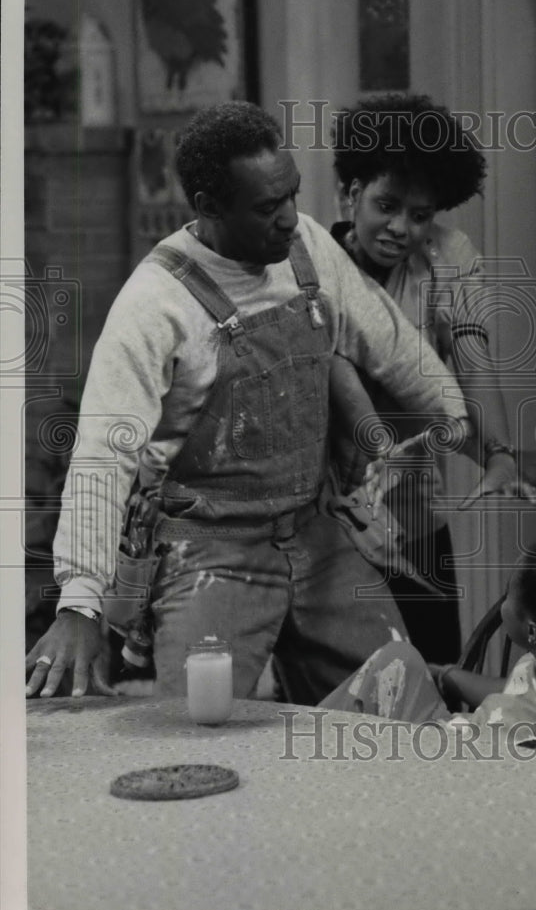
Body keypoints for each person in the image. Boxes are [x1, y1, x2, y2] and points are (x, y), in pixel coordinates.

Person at [24, 100, 481, 707]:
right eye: (269, 207)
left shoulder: (309, 247)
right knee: (195, 737)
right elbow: (104, 457)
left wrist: (474, 436)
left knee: (403, 703)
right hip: (209, 550)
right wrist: (80, 600)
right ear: (209, 208)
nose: (292, 218)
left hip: (317, 534)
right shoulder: (154, 304)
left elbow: (397, 352)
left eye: (292, 194)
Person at [327, 92, 536, 664]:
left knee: (435, 692)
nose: (402, 227)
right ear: (351, 193)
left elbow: (474, 358)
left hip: (417, 524)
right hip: (330, 531)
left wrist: (499, 453)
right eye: (386, 205)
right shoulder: (311, 266)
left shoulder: (447, 256)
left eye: (420, 214)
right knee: (338, 701)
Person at [320, 529, 536, 756]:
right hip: (474, 744)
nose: (502, 604)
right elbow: (514, 689)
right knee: (402, 662)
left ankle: (305, 751)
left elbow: (465, 754)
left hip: (458, 766)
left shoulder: (525, 725)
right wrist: (448, 675)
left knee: (389, 671)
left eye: (508, 595)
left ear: (531, 631)